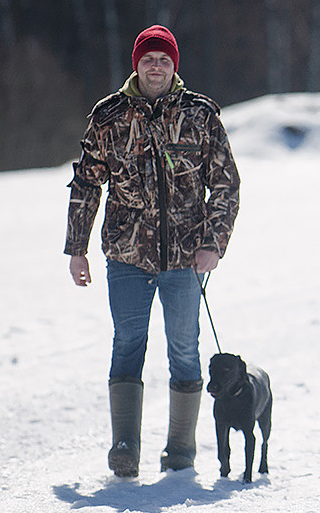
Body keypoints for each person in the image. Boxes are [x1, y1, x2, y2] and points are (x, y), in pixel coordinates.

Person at [65, 25, 240, 478]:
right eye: (148, 59)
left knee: (184, 347)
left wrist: (213, 244)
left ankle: (180, 447)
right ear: (136, 65)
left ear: (174, 65)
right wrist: (77, 248)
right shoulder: (109, 116)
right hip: (126, 253)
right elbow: (86, 183)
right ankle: (124, 446)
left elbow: (225, 184)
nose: (156, 66)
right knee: (128, 342)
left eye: (164, 59)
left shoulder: (200, 114)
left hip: (185, 256)